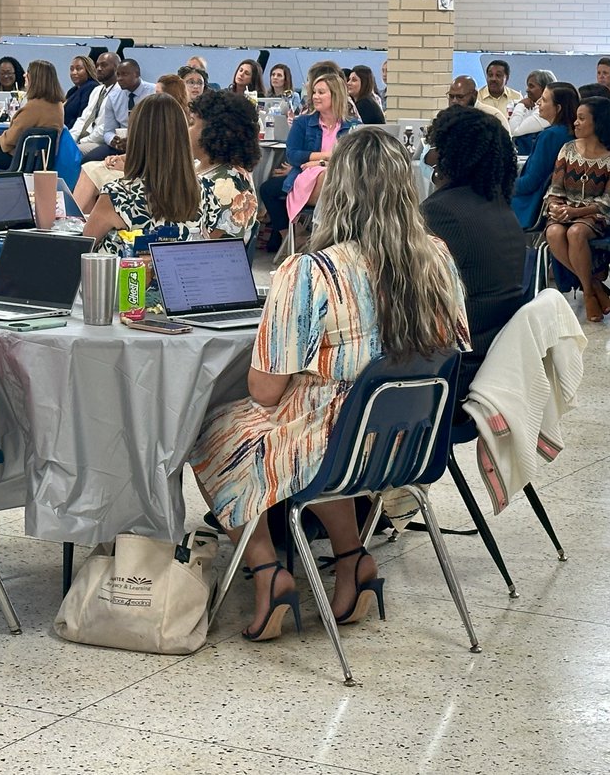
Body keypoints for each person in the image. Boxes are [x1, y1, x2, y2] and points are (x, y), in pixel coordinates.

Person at [189, 128, 470, 641]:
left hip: (334, 447)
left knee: (214, 431)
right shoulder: (439, 259)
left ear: (335, 190)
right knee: (316, 425)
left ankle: (268, 570)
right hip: (409, 443)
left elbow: (267, 391)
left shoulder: (310, 270)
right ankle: (351, 560)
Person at [422, 105, 525, 398]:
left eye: (436, 148)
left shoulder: (442, 212)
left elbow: (409, 293)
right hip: (490, 361)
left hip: (452, 370)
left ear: (450, 154)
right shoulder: (500, 209)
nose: (431, 158)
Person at [81, 93, 202, 252]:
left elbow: (82, 248)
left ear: (136, 137)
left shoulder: (118, 195)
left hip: (126, 276)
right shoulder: (204, 190)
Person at [544, 97, 610, 323]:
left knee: (576, 232)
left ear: (598, 122)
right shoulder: (568, 149)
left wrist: (574, 213)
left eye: (582, 118)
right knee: (553, 232)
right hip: (566, 210)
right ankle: (593, 287)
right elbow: (555, 188)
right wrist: (555, 206)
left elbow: (609, 202)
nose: (576, 123)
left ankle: (589, 293)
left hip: (597, 214)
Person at [259, 73, 357, 254]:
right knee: (268, 188)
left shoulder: (352, 125)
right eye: (314, 92)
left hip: (339, 178)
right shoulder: (303, 122)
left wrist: (320, 163)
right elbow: (293, 155)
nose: (315, 97)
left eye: (321, 92)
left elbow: (353, 158)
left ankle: (320, 238)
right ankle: (291, 234)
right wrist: (327, 156)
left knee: (328, 176)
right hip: (308, 177)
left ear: (335, 95)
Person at [189, 91, 260, 243]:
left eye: (192, 123)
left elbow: (202, 247)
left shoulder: (228, 185)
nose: (186, 130)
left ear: (212, 132)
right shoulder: (200, 167)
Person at [0, 59, 65, 170]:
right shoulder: (58, 105)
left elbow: (11, 139)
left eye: (28, 72)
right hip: (42, 159)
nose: (24, 75)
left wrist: (0, 139)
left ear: (35, 78)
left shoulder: (33, 107)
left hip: (21, 160)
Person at [511, 83, 578, 229]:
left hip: (530, 206)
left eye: (544, 100)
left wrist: (501, 186)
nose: (538, 103)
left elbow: (530, 182)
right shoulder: (572, 133)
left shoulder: (550, 136)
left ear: (558, 108)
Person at [82, 58, 156, 162]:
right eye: (118, 75)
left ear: (137, 74)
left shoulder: (154, 92)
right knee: (89, 159)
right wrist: (113, 140)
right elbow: (108, 131)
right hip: (121, 145)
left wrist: (135, 141)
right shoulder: (113, 97)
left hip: (147, 143)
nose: (120, 79)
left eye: (124, 74)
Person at [71, 52, 121, 154]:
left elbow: (105, 128)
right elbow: (83, 119)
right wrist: (71, 139)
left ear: (117, 68)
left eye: (104, 65)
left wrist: (82, 141)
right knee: (62, 148)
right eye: (97, 65)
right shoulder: (97, 90)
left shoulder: (120, 92)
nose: (98, 68)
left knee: (72, 152)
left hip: (102, 142)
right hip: (85, 139)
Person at [508, 69, 556, 143]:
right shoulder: (531, 105)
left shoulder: (545, 112)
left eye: (531, 86)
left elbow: (513, 131)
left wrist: (520, 105)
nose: (527, 90)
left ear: (545, 89)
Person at [63, 56, 99, 129]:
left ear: (88, 70)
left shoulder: (91, 87)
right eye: (71, 69)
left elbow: (83, 116)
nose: (74, 72)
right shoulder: (72, 90)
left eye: (78, 69)